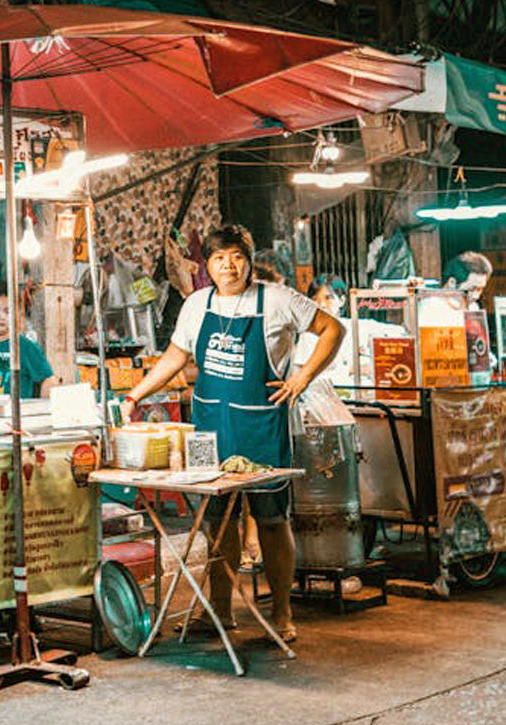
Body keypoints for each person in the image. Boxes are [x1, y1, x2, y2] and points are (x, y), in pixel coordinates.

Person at [121, 223, 345, 642]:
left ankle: (281, 614)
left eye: (237, 256)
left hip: (261, 425)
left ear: (248, 259)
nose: (229, 265)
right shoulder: (196, 303)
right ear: (207, 264)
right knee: (217, 523)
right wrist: (135, 395)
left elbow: (334, 329)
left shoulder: (278, 300)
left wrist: (303, 378)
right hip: (211, 427)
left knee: (272, 520)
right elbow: (175, 356)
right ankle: (219, 612)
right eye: (220, 257)